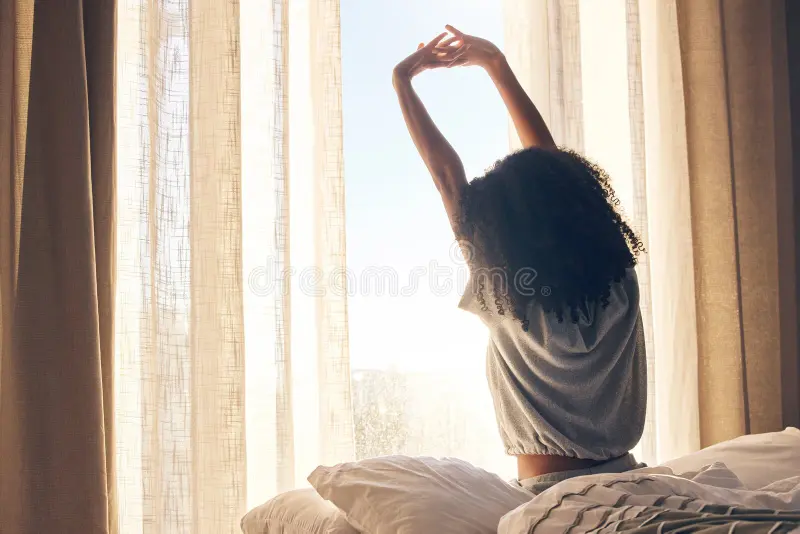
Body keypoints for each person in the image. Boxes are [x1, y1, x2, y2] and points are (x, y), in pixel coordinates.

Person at [392, 26, 647, 494]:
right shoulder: (618, 276)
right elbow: (554, 169)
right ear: (582, 199)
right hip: (630, 476)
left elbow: (447, 175)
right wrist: (496, 66)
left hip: (552, 491)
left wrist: (402, 81)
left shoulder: (506, 293)